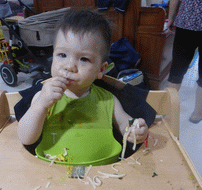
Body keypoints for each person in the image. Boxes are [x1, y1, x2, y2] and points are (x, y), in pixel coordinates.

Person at [17, 10, 149, 162]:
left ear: (101, 69)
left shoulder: (107, 100)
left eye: (84, 59)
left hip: (103, 174)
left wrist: (135, 129)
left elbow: (124, 122)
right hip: (53, 174)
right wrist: (40, 106)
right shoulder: (42, 98)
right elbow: (25, 138)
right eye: (62, 55)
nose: (69, 66)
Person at [166, 0, 202, 123]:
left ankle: (167, 111)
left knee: (176, 70)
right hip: (186, 22)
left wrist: (171, 18)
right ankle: (197, 114)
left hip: (186, 20)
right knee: (178, 71)